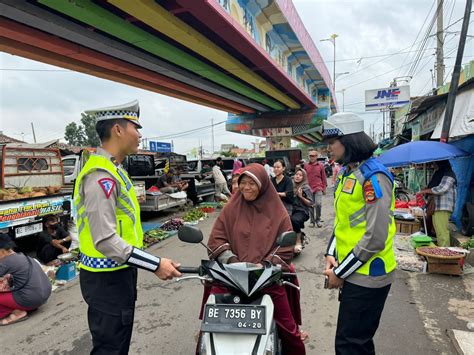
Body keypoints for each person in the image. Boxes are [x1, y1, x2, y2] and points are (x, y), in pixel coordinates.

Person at [76, 100, 181, 354]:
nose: (140, 135)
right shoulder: (101, 175)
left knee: (118, 343)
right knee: (110, 348)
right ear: (118, 130)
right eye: (136, 127)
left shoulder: (116, 169)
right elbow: (105, 239)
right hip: (106, 279)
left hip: (118, 272)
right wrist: (155, 264)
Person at [207, 164, 306, 354]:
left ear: (263, 185)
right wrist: (232, 261)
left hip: (266, 279)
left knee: (289, 331)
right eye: (243, 182)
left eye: (252, 183)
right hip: (231, 278)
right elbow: (216, 239)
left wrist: (264, 265)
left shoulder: (278, 212)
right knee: (209, 327)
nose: (246, 187)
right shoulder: (231, 208)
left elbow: (285, 246)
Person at [322, 112, 396, 355]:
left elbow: (375, 238)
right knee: (355, 342)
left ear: (349, 141)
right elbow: (343, 222)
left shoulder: (373, 177)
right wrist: (331, 254)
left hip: (368, 275)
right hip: (353, 270)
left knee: (351, 344)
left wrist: (339, 273)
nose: (329, 148)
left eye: (332, 143)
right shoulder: (349, 173)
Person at [0, 234, 52, 326]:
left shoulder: (7, 261)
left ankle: (17, 313)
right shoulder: (22, 256)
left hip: (32, 299)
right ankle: (26, 307)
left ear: (2, 251)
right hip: (44, 295)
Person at [419, 160, 457, 247]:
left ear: (441, 164)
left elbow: (442, 189)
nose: (433, 166)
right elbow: (433, 187)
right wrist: (426, 189)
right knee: (438, 230)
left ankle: (444, 252)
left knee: (441, 231)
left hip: (443, 207)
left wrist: (426, 190)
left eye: (435, 164)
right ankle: (441, 250)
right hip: (437, 206)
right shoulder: (439, 174)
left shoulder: (449, 174)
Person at [291, 168, 313, 254]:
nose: (297, 176)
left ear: (303, 177)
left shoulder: (305, 187)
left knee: (294, 220)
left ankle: (298, 239)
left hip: (302, 211)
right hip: (291, 209)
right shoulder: (290, 185)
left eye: (300, 175)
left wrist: (301, 196)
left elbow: (311, 203)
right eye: (296, 174)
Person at [304, 150, 327, 228]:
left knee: (318, 204)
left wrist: (324, 188)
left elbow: (324, 177)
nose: (312, 157)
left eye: (313, 156)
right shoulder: (306, 166)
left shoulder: (320, 166)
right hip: (308, 188)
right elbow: (303, 177)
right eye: (310, 156)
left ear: (317, 157)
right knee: (310, 205)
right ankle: (312, 221)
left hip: (318, 187)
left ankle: (318, 219)